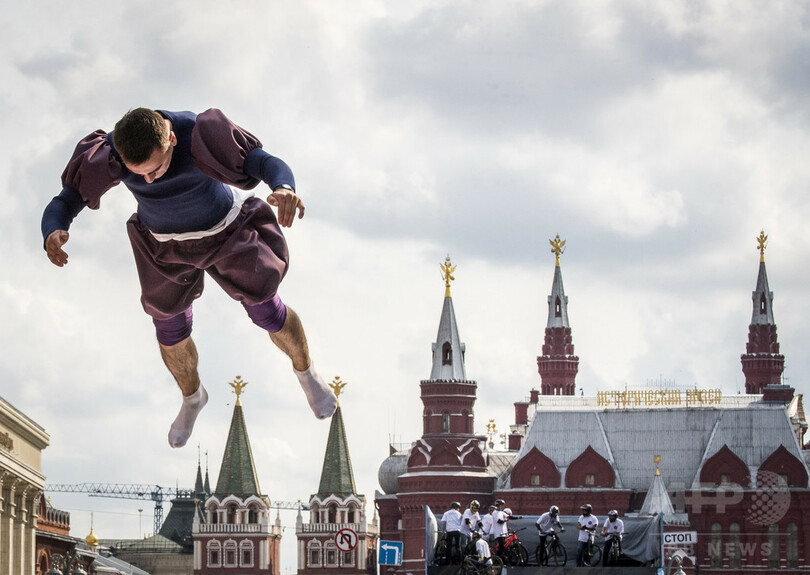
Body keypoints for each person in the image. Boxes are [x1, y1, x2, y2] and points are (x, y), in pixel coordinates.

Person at [41, 108, 337, 448]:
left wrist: (284, 187)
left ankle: (305, 370)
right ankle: (193, 396)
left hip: (225, 232)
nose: (150, 180)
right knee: (169, 330)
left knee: (266, 311)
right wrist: (54, 229)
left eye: (156, 168)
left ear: (171, 138)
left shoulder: (201, 133)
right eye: (140, 174)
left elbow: (264, 162)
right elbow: (65, 200)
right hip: (164, 246)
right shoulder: (110, 153)